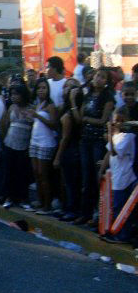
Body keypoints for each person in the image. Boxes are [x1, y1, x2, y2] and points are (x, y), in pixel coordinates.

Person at [71, 68, 115, 225]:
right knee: (86, 178)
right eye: (97, 75)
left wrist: (88, 119)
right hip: (85, 140)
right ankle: (85, 213)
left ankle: (99, 215)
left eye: (103, 77)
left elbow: (103, 120)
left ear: (107, 82)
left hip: (98, 141)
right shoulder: (88, 94)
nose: (99, 79)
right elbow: (80, 117)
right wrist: (73, 102)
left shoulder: (107, 98)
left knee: (98, 177)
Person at [102, 107, 136, 243]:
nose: (119, 123)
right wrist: (102, 170)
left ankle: (123, 236)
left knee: (121, 208)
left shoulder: (129, 136)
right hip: (117, 176)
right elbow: (109, 153)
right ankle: (116, 232)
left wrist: (111, 133)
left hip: (125, 177)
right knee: (116, 206)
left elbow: (116, 151)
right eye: (116, 120)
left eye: (123, 121)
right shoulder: (116, 135)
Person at [0, 80, 33, 208]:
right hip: (10, 142)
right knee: (9, 171)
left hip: (24, 144)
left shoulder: (31, 109)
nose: (13, 96)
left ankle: (23, 199)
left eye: (16, 94)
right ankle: (9, 197)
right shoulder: (11, 108)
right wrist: (4, 139)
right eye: (12, 94)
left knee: (22, 173)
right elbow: (4, 124)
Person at [28, 78, 59, 214]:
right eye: (39, 88)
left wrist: (37, 116)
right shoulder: (38, 104)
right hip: (34, 141)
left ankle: (47, 205)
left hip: (46, 143)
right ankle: (40, 202)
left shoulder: (50, 106)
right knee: (36, 174)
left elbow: (54, 124)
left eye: (44, 88)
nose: (41, 90)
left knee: (43, 174)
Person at [54, 80, 83, 222]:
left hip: (70, 151)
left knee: (71, 183)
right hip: (70, 150)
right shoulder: (65, 110)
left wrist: (58, 156)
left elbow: (65, 138)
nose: (65, 89)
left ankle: (72, 210)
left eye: (69, 87)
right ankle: (67, 208)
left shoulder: (70, 114)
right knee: (66, 182)